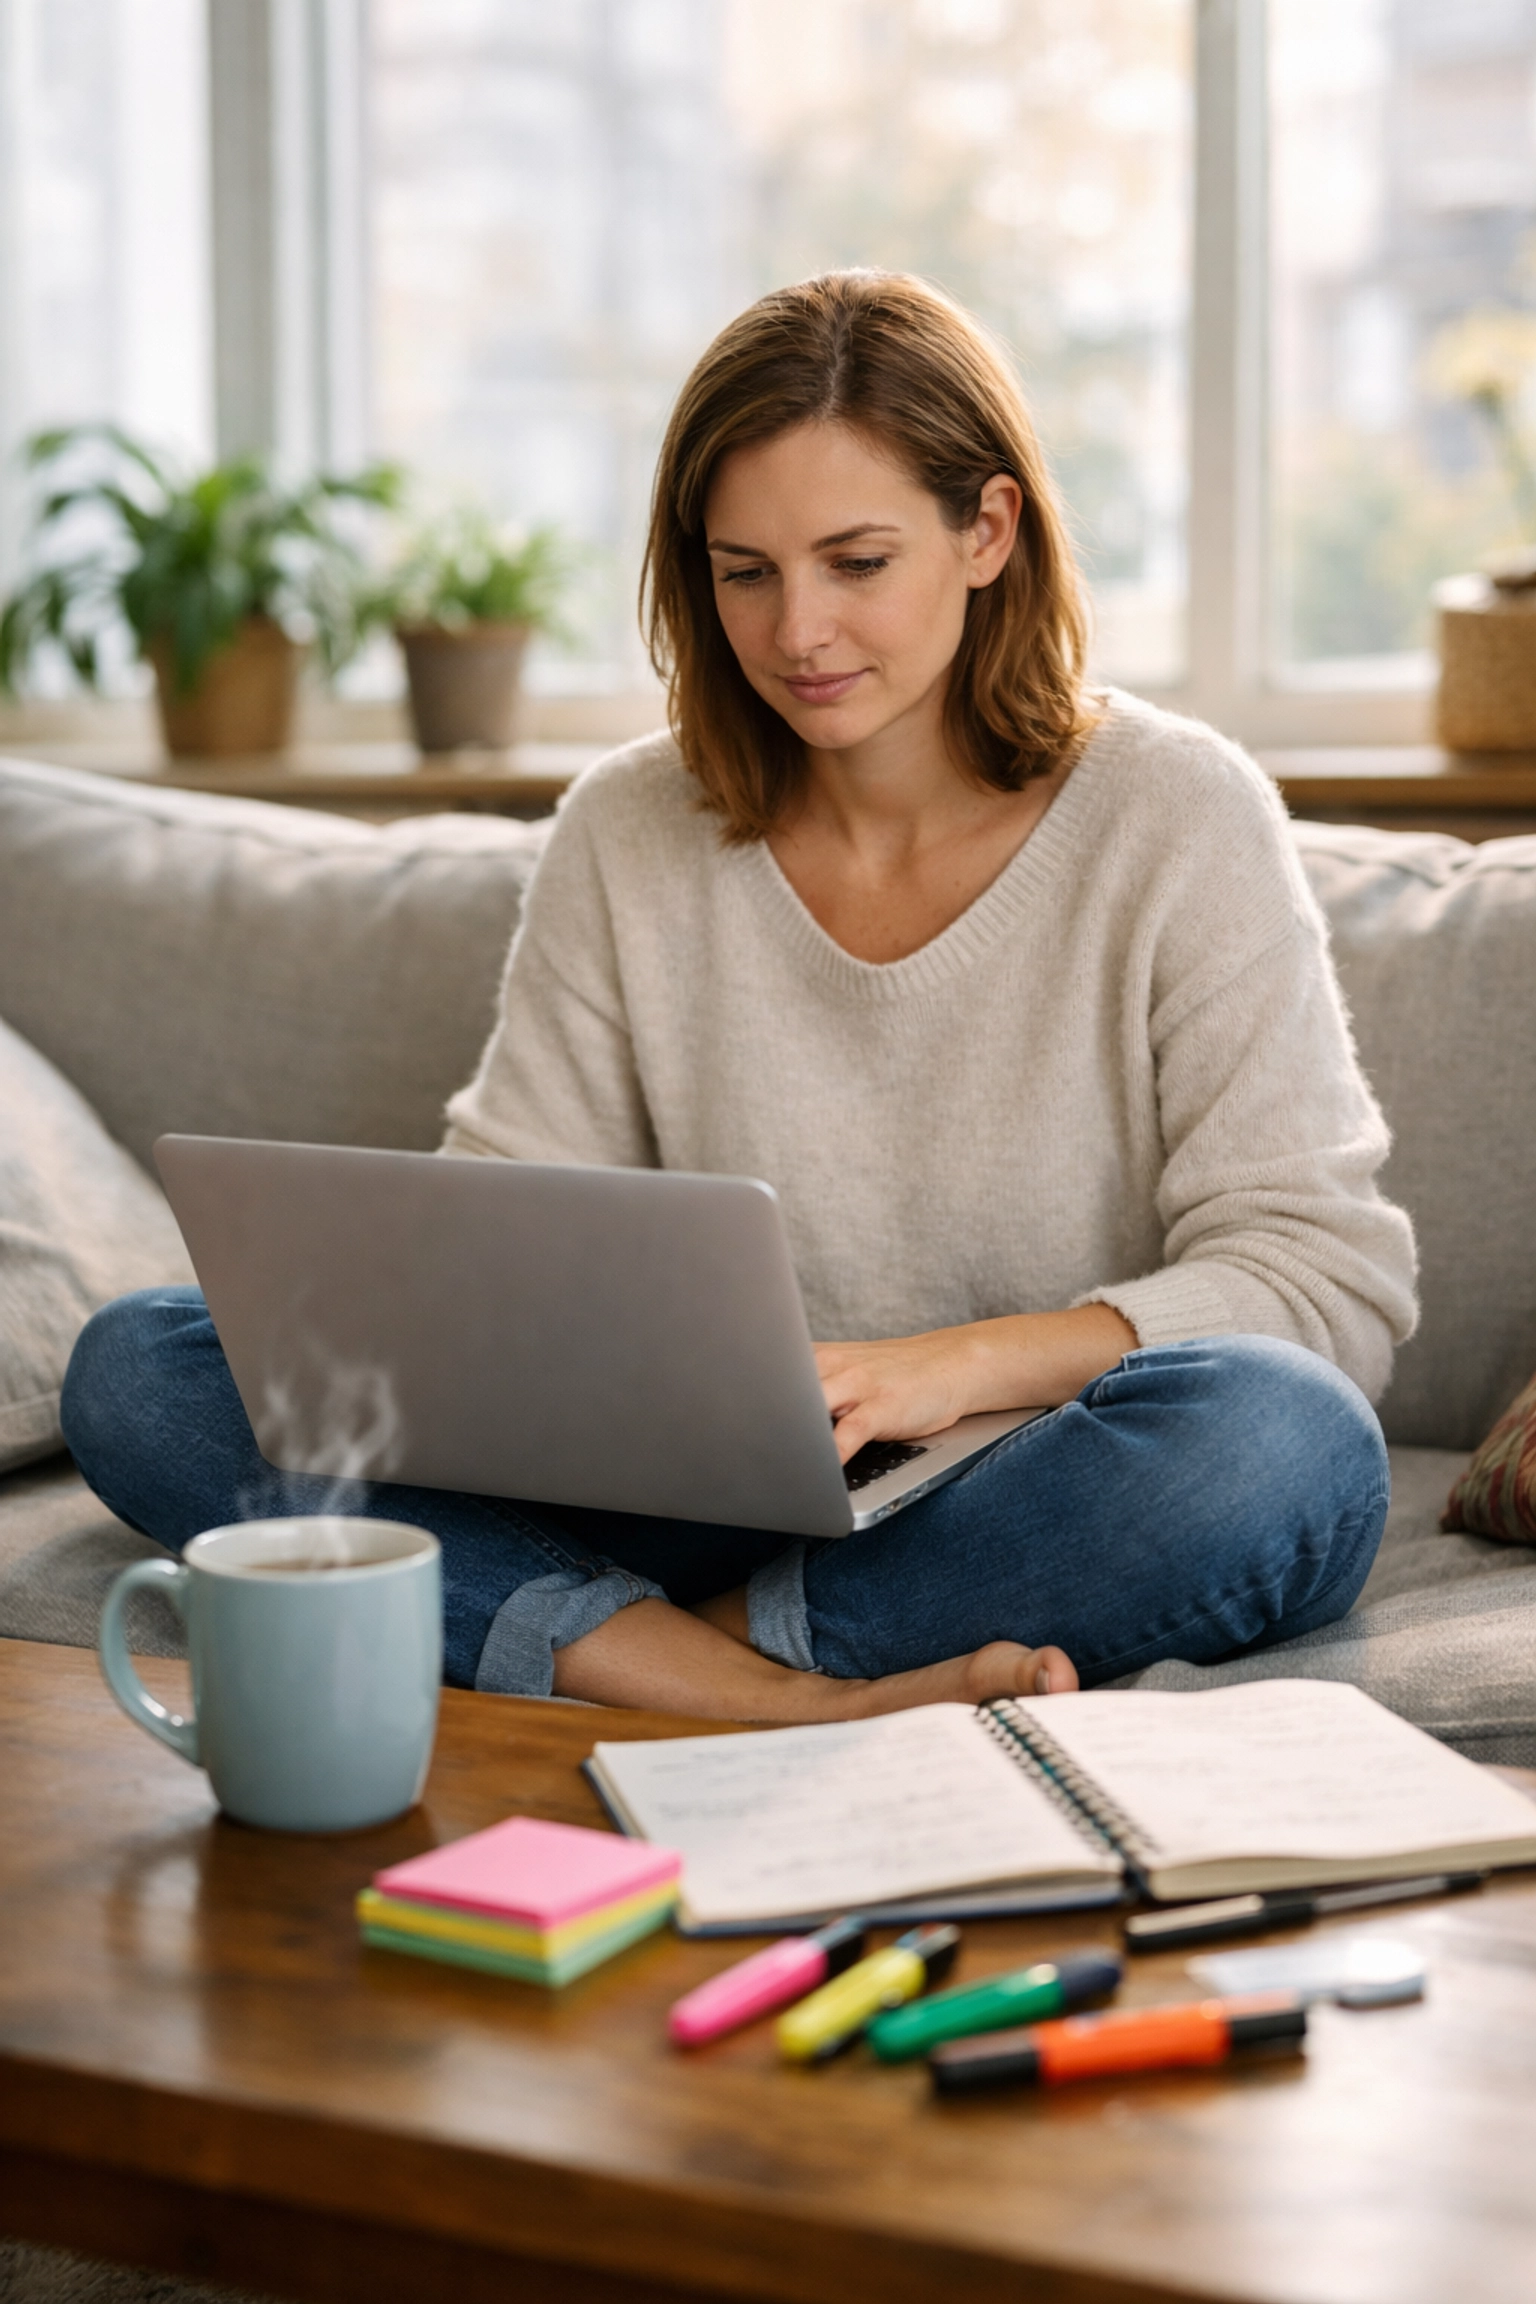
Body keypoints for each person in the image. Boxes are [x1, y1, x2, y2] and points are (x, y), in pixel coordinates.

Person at [63, 270, 1416, 1724]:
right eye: (745, 572)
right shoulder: (628, 827)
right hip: (678, 1494)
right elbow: (499, 1232)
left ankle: (618, 1650)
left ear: (988, 531)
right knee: (144, 1368)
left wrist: (941, 1374)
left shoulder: (1178, 813)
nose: (797, 634)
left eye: (856, 562)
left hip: (1002, 1482)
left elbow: (1319, 1281)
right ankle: (760, 1694)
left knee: (1287, 1443)